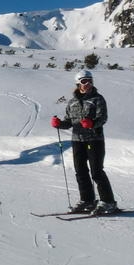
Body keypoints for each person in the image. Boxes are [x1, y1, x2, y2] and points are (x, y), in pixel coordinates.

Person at [51, 69, 117, 214]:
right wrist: (59, 124)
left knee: (96, 172)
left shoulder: (97, 99)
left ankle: (108, 202)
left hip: (94, 140)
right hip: (77, 140)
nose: (87, 83)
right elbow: (69, 122)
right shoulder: (72, 102)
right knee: (80, 171)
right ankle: (87, 200)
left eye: (90, 80)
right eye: (84, 81)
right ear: (78, 83)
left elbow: (103, 118)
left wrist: (92, 124)